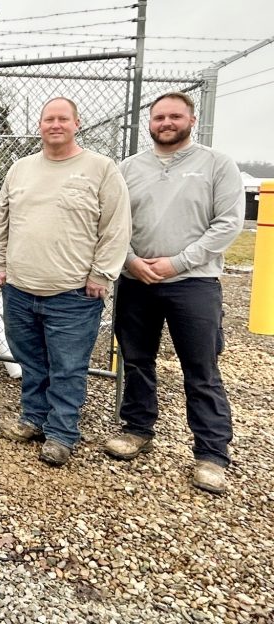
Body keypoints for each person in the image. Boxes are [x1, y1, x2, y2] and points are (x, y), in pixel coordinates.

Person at [105, 92, 244, 494]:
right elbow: (114, 223)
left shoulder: (216, 164)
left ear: (191, 120)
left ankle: (211, 453)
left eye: (174, 116)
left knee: (200, 369)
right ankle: (137, 428)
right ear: (150, 122)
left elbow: (228, 224)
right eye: (159, 117)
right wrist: (130, 261)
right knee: (136, 359)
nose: (166, 122)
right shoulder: (129, 168)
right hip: (136, 280)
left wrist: (178, 262)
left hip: (193, 284)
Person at [0, 97, 130, 466]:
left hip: (72, 293)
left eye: (62, 119)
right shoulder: (20, 169)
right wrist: (0, 263)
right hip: (20, 288)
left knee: (68, 367)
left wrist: (101, 273)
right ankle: (33, 418)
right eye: (48, 119)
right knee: (31, 360)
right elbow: (1, 219)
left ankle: (62, 432)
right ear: (40, 125)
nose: (55, 124)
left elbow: (115, 227)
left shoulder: (100, 169)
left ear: (76, 123)